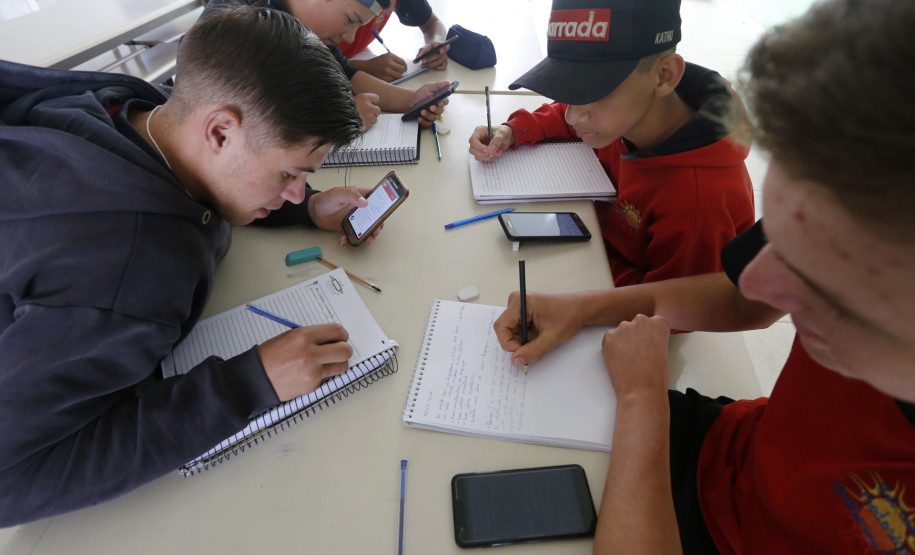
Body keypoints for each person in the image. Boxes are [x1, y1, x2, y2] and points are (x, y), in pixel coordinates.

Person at [493, 0, 915, 552]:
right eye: (784, 240)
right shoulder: (867, 207)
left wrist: (644, 399)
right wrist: (585, 306)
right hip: (734, 451)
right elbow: (743, 300)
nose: (762, 284)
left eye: (832, 277)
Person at [0, 6, 376, 526]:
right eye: (289, 175)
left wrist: (305, 207)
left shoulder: (134, 109)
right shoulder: (129, 272)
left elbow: (216, 177)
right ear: (220, 132)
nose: (295, 188)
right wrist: (249, 384)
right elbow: (11, 479)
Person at [469, 0, 755, 287]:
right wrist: (513, 130)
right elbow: (567, 114)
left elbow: (668, 302)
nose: (572, 115)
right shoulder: (627, 113)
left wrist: (587, 259)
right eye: (570, 88)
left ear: (664, 76)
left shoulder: (699, 209)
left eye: (596, 90)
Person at [200, 0, 450, 129]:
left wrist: (412, 100)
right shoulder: (241, 22)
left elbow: (346, 75)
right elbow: (240, 116)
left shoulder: (310, 29)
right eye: (350, 19)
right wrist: (339, 119)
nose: (350, 38)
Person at [339, 0, 450, 82]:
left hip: (354, 55)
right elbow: (327, 63)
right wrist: (363, 67)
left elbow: (432, 23)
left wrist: (435, 43)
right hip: (334, 68)